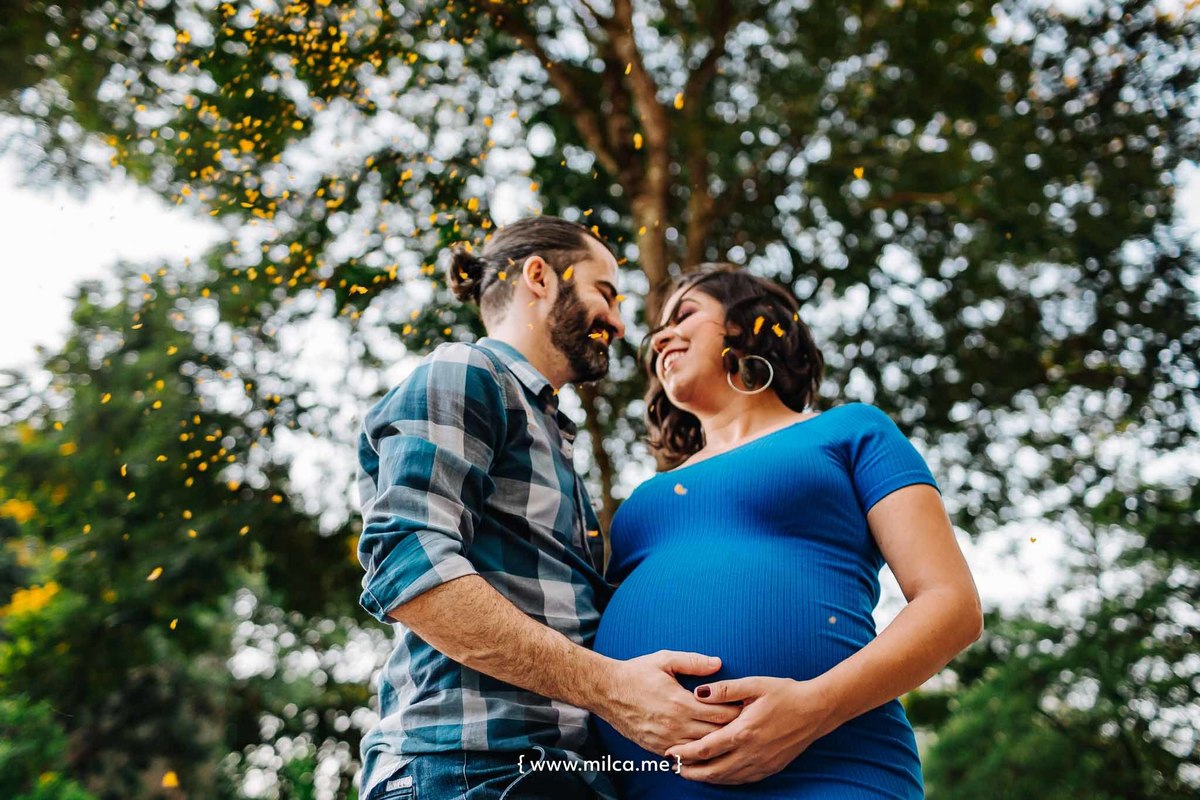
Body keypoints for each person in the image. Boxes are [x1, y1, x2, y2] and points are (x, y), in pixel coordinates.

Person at [355, 217, 740, 800]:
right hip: (467, 769)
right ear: (539, 276)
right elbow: (410, 563)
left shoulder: (551, 432)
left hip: (551, 773)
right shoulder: (467, 372)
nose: (617, 320)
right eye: (604, 292)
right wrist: (612, 687)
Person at [592, 265, 984, 799]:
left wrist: (814, 708)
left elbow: (951, 602)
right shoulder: (641, 502)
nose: (659, 336)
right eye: (658, 328)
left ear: (750, 326)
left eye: (685, 315)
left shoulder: (850, 430)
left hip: (832, 770)